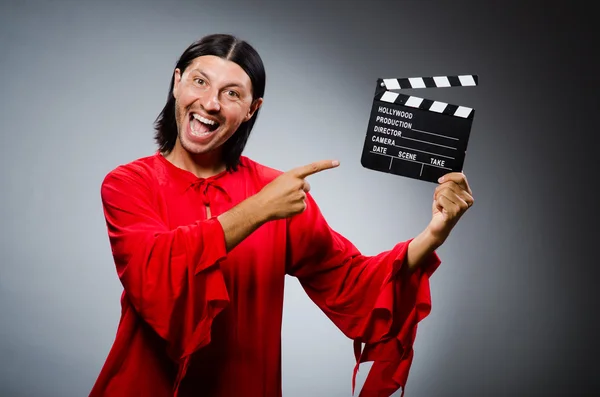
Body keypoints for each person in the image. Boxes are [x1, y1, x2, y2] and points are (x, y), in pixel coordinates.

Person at [88, 33, 474, 397]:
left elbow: (352, 282)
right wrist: (258, 209)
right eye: (200, 82)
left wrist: (433, 234)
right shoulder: (129, 183)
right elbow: (154, 269)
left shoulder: (278, 193)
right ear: (177, 83)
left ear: (251, 109)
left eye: (232, 93)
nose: (210, 103)